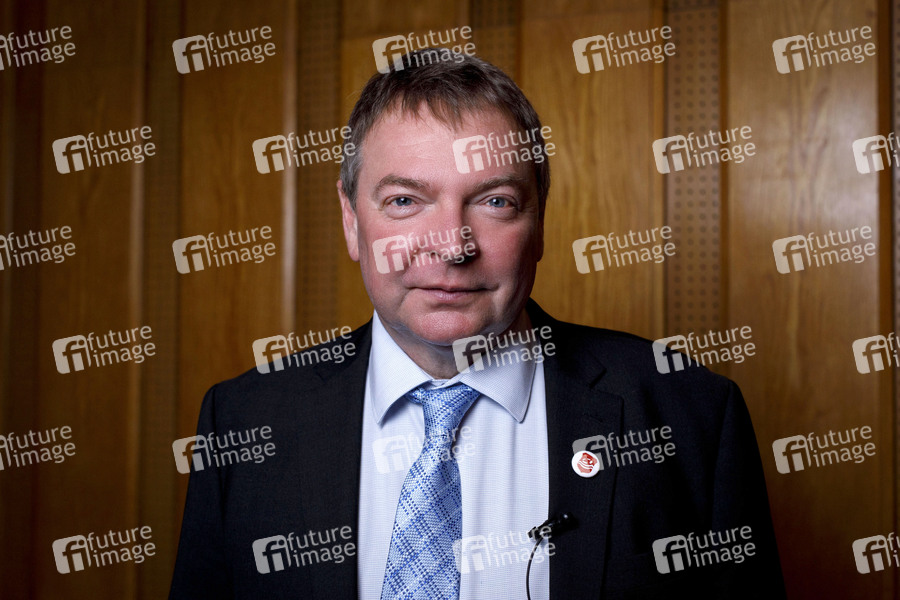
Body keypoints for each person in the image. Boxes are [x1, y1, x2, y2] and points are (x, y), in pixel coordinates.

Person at [169, 48, 786, 599]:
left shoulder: (691, 415)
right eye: (405, 201)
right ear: (352, 222)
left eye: (495, 202)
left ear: (538, 224)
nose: (452, 245)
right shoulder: (244, 422)